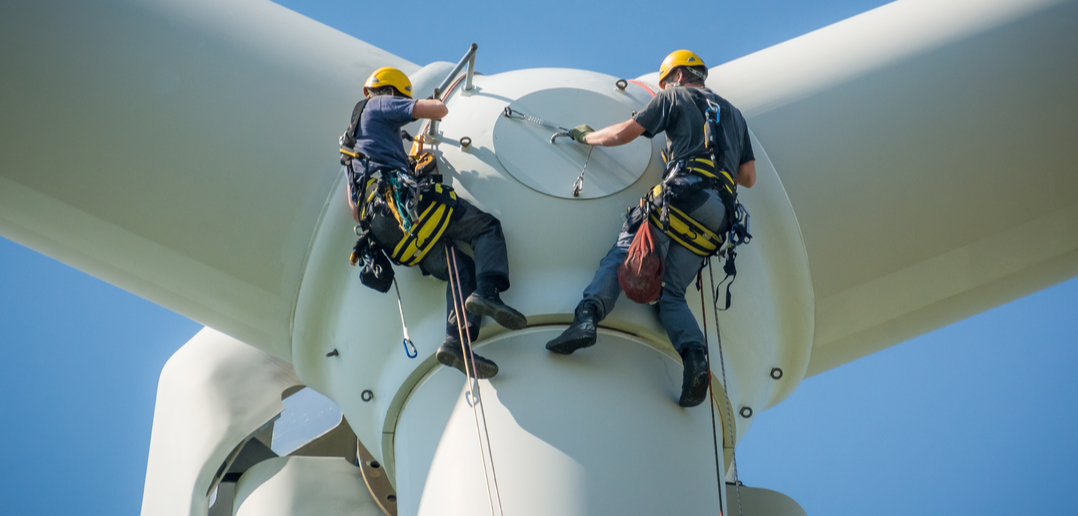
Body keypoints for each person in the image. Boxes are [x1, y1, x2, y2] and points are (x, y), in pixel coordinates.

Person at [545, 51, 757, 406]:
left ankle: (587, 318)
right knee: (670, 293)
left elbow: (624, 134)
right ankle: (695, 359)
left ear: (675, 76)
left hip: (682, 195)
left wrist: (587, 138)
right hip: (718, 218)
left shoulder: (674, 97)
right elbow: (748, 177)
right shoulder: (734, 115)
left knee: (624, 254)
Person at [343, 67, 527, 379]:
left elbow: (354, 211)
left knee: (459, 268)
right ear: (392, 92)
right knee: (485, 227)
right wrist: (426, 104)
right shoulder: (379, 105)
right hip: (405, 206)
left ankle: (456, 342)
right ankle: (488, 292)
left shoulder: (351, 145)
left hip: (387, 232)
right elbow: (437, 109)